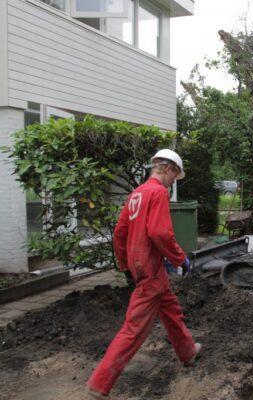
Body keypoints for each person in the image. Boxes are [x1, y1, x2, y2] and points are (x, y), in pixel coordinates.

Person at [87, 149, 201, 399]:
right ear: (168, 169)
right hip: (151, 268)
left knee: (170, 309)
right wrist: (180, 259)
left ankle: (188, 352)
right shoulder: (158, 192)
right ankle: (99, 382)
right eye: (175, 177)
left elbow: (120, 233)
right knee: (134, 327)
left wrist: (126, 264)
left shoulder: (136, 194)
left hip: (143, 266)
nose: (173, 183)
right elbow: (159, 233)